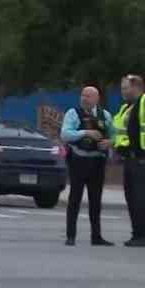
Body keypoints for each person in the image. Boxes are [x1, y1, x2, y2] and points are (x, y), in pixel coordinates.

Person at [61, 85, 115, 246]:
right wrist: (85, 133)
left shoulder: (105, 115)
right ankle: (71, 236)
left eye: (88, 96)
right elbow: (65, 134)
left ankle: (96, 236)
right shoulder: (73, 113)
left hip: (97, 162)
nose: (84, 98)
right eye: (83, 95)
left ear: (97, 99)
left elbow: (114, 135)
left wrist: (110, 142)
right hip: (78, 160)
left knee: (96, 200)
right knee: (75, 199)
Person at [116, 75, 145, 247]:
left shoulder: (143, 103)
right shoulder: (126, 108)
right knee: (132, 198)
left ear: (136, 87)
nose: (123, 91)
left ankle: (142, 235)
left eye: (125, 88)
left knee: (140, 199)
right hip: (130, 159)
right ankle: (137, 234)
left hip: (141, 160)